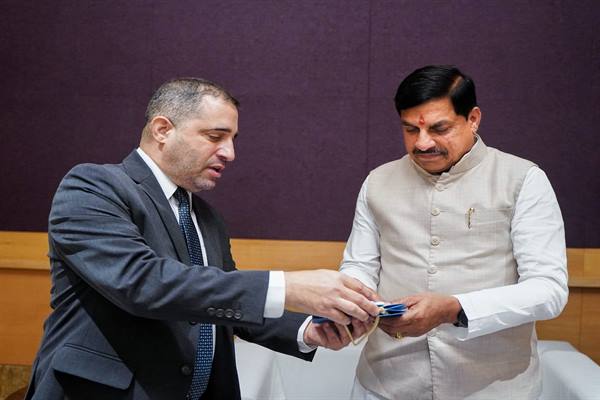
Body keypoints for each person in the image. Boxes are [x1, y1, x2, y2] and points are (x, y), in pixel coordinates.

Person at [25, 78, 379, 400]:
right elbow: (142, 283)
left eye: (233, 139)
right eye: (215, 137)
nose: (230, 153)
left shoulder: (206, 217)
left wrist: (306, 330)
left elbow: (222, 302)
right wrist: (288, 286)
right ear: (162, 130)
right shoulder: (93, 187)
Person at [340, 65, 568, 399]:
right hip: (386, 383)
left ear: (473, 118)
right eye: (410, 129)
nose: (422, 143)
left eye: (439, 128)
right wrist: (355, 300)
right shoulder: (377, 182)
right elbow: (359, 265)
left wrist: (454, 308)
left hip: (493, 389)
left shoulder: (523, 180)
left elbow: (548, 291)